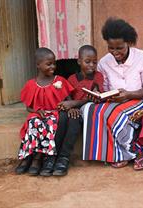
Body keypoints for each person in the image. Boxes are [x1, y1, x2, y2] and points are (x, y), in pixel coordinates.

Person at [81, 17, 143, 168]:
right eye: (111, 48)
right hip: (114, 101)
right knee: (88, 109)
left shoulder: (142, 58)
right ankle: (116, 154)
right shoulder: (104, 62)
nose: (115, 52)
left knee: (115, 115)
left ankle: (137, 152)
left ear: (128, 43)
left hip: (138, 99)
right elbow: (104, 89)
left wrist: (128, 95)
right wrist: (97, 93)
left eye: (119, 48)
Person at [40, 45, 104, 176]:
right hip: (72, 110)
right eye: (87, 61)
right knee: (62, 118)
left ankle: (64, 157)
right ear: (79, 61)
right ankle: (51, 156)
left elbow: (97, 98)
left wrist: (75, 104)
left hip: (86, 111)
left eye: (94, 62)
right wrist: (71, 107)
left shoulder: (98, 77)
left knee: (74, 120)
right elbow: (67, 99)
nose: (91, 65)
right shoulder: (71, 79)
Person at [15, 48, 74, 175]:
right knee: (33, 122)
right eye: (49, 64)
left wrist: (69, 107)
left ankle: (38, 158)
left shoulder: (59, 81)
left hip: (54, 113)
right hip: (38, 113)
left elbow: (69, 100)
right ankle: (27, 156)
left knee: (50, 123)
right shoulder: (31, 84)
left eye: (54, 63)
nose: (53, 66)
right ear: (38, 65)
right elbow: (28, 107)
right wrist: (37, 110)